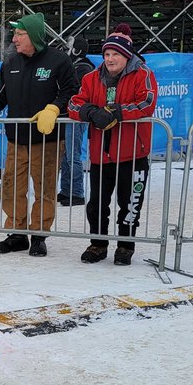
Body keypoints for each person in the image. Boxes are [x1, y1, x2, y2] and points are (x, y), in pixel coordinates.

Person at [0, 13, 77, 257]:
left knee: (44, 189)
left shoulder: (58, 61)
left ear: (34, 36)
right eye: (15, 34)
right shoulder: (11, 64)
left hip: (48, 140)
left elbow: (71, 92)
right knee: (11, 187)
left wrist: (55, 108)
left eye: (19, 34)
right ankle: (17, 232)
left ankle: (38, 235)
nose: (14, 39)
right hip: (17, 140)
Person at [69, 29, 158, 266]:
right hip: (101, 154)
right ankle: (98, 244)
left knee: (129, 203)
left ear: (127, 55)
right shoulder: (91, 78)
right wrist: (91, 112)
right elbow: (74, 104)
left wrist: (117, 112)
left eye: (115, 54)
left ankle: (125, 246)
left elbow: (147, 103)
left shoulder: (143, 74)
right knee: (97, 204)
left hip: (133, 154)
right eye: (107, 53)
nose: (109, 59)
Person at [57, 33, 92, 205]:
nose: (65, 51)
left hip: (76, 117)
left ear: (76, 50)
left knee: (73, 155)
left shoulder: (83, 69)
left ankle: (77, 192)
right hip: (69, 116)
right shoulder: (76, 67)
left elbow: (73, 90)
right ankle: (66, 190)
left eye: (68, 47)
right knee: (66, 155)